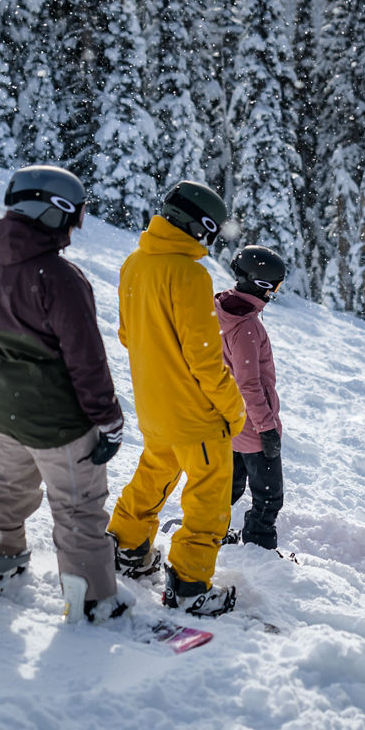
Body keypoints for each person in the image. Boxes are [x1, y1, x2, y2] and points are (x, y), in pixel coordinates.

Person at [0, 164, 129, 624]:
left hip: (2, 406)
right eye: (76, 217)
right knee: (78, 506)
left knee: (7, 485)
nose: (77, 228)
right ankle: (92, 599)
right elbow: (86, 360)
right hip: (56, 418)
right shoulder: (58, 277)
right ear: (54, 211)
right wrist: (108, 420)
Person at [106, 180, 246, 617]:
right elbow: (205, 360)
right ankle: (189, 585)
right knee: (207, 500)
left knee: (154, 474)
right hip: (196, 417)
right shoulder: (189, 275)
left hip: (155, 408)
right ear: (200, 226)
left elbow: (128, 335)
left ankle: (126, 545)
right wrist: (233, 410)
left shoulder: (135, 264)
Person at [214, 244, 287, 550]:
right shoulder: (246, 327)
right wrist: (267, 427)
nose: (274, 294)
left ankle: (212, 534)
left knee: (228, 487)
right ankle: (259, 551)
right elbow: (249, 384)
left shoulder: (222, 310)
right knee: (269, 496)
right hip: (252, 427)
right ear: (262, 284)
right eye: (275, 287)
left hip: (230, 421)